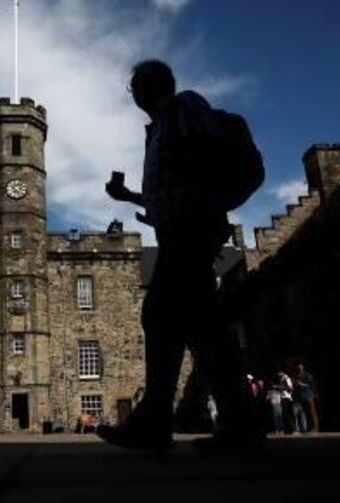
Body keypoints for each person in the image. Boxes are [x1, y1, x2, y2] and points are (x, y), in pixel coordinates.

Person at [99, 59, 263, 451]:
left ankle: (157, 423)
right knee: (201, 328)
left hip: (190, 232)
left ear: (151, 86)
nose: (135, 93)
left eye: (137, 85)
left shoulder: (183, 106)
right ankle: (236, 425)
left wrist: (208, 210)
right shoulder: (158, 128)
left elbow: (203, 158)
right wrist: (131, 197)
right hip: (180, 232)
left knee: (161, 317)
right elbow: (172, 188)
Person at [294, 363, 319, 432]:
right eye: (298, 366)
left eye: (300, 366)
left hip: (308, 395)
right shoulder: (296, 376)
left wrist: (302, 384)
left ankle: (315, 427)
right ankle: (308, 427)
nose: (299, 368)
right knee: (305, 412)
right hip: (300, 396)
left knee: (312, 412)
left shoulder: (307, 375)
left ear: (303, 367)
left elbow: (312, 385)